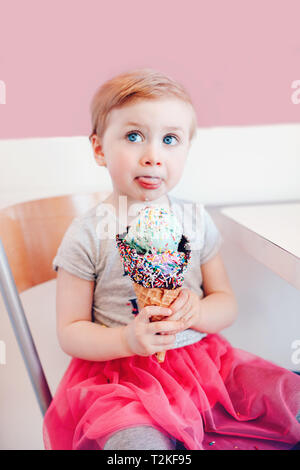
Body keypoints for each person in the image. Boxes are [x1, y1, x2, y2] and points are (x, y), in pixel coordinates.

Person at [43, 68, 300, 450]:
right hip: (123, 384)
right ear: (99, 149)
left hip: (207, 367)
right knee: (135, 445)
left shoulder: (195, 221)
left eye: (170, 140)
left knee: (289, 398)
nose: (152, 156)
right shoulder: (87, 234)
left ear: (186, 150)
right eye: (133, 136)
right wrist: (127, 338)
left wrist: (196, 313)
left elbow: (225, 303)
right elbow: (71, 331)